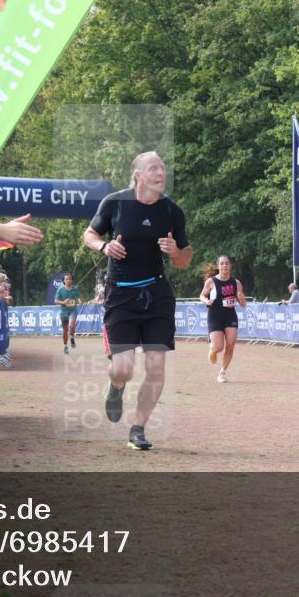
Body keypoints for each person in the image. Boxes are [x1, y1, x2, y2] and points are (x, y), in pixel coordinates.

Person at [83, 151, 192, 451]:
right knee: (123, 368)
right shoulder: (115, 203)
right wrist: (104, 247)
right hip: (120, 294)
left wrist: (175, 251)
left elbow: (185, 260)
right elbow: (89, 234)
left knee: (156, 366)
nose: (161, 173)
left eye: (163, 168)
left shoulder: (171, 210)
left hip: (157, 294)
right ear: (138, 175)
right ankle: (116, 386)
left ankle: (138, 428)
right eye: (154, 168)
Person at [199, 256, 246, 383]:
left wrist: (241, 296)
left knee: (230, 344)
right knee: (219, 347)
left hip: (230, 315)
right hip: (215, 316)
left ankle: (222, 372)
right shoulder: (211, 281)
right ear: (218, 266)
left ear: (230, 266)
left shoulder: (236, 283)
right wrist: (206, 301)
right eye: (222, 263)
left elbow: (243, 304)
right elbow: (202, 295)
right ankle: (213, 349)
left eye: (227, 263)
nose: (224, 266)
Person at [55, 273, 83, 354]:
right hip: (64, 312)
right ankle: (65, 346)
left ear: (72, 280)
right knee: (65, 330)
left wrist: (80, 301)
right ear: (64, 281)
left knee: (71, 326)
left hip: (73, 311)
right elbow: (56, 301)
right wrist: (63, 302)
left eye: (70, 279)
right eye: (66, 279)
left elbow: (80, 297)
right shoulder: (60, 290)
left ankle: (72, 338)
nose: (68, 280)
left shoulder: (75, 289)